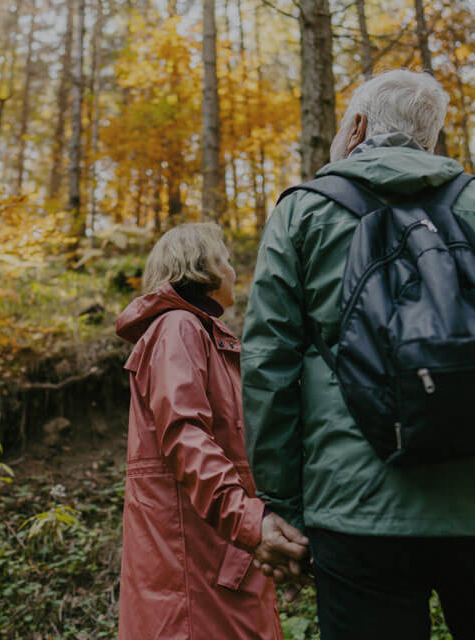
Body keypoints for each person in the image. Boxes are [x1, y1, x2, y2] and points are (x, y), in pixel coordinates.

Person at [242, 70, 475, 639]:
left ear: (356, 128)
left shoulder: (303, 213)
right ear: (430, 138)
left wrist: (282, 507)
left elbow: (267, 365)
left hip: (357, 508)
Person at [115, 222, 308, 640]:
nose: (234, 271)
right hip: (195, 566)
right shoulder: (178, 327)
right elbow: (186, 437)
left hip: (220, 554)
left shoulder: (202, 334)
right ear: (203, 268)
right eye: (226, 260)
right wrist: (250, 522)